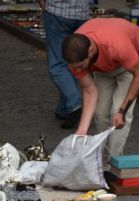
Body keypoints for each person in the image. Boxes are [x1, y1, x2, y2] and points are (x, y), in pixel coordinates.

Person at [63, 18, 139, 165]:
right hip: (105, 64)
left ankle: (114, 162)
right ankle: (99, 160)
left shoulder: (116, 45)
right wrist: (82, 130)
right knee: (100, 113)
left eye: (80, 66)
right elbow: (89, 91)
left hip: (135, 58)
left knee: (116, 113)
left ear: (90, 51)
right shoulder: (75, 56)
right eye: (75, 67)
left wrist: (122, 111)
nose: (77, 71)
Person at [39, 0, 90, 129]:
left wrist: (43, 6)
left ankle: (75, 104)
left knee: (57, 65)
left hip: (58, 12)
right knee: (72, 61)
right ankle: (64, 109)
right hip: (81, 15)